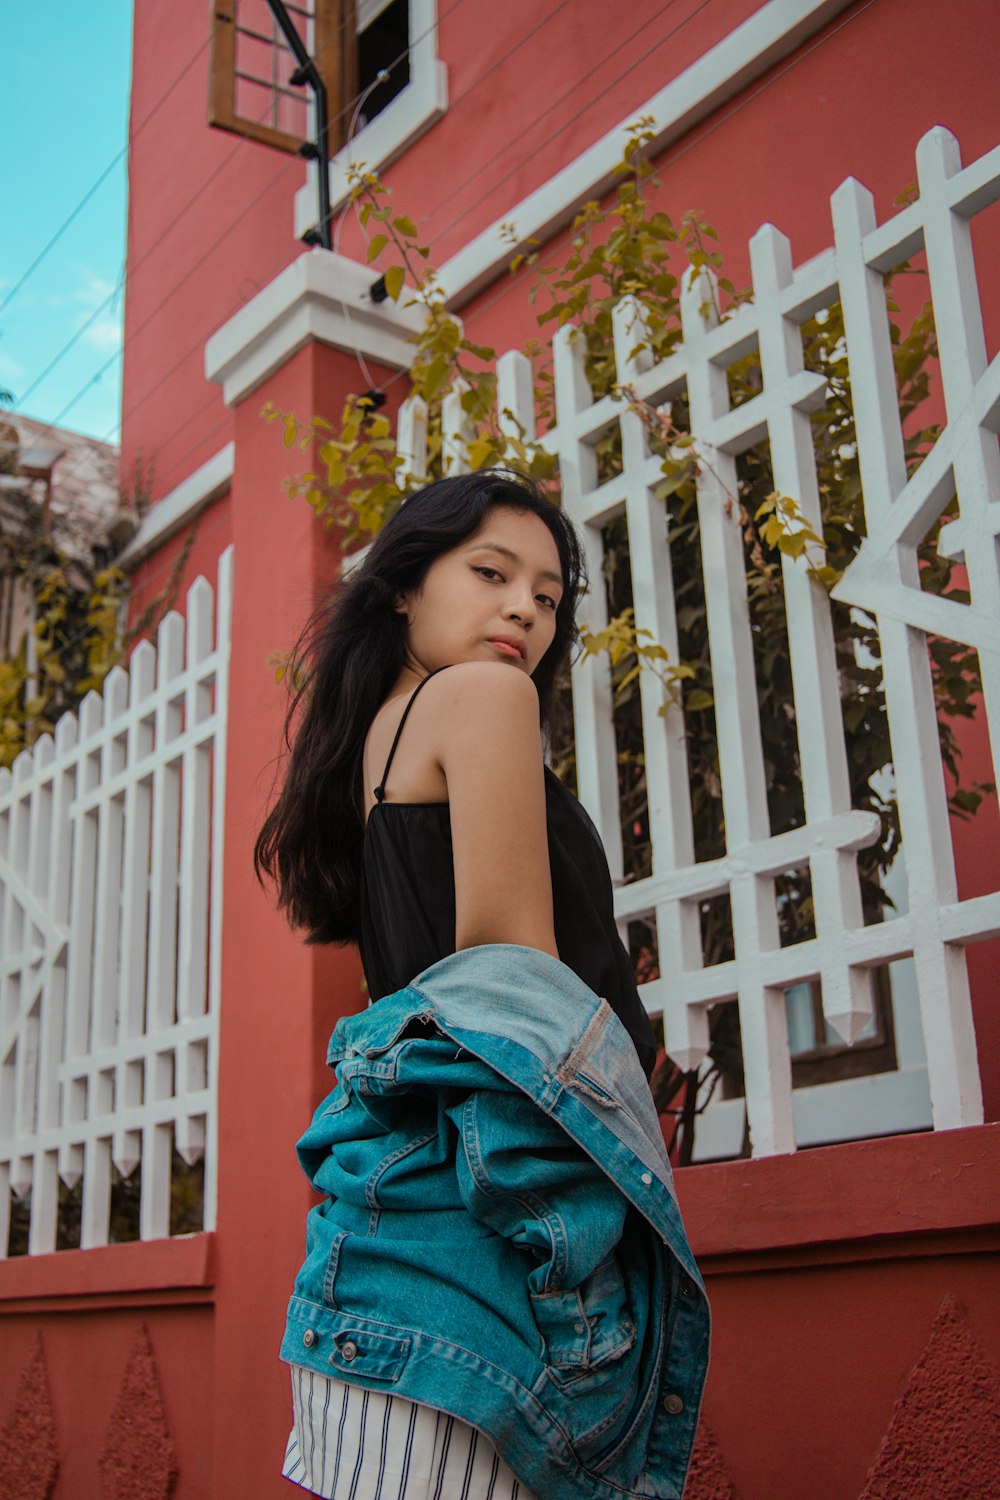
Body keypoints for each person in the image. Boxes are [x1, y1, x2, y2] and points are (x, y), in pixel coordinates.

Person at [255, 471, 709, 1500]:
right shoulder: (482, 697)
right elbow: (517, 1001)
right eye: (492, 573)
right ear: (404, 588)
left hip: (384, 1238)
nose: (524, 610)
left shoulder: (380, 734)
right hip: (486, 1239)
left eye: (548, 596)